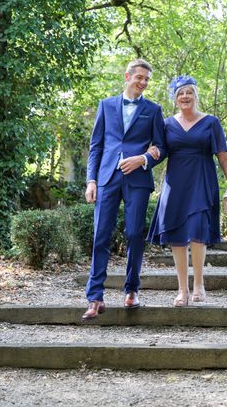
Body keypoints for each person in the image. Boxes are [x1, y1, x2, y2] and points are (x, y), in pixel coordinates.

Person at [82, 59, 166, 321]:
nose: (142, 83)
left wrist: (143, 159)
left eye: (146, 80)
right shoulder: (106, 105)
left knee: (133, 234)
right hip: (107, 178)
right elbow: (96, 146)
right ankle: (95, 297)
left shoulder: (153, 110)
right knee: (100, 236)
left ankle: (132, 289)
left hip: (138, 180)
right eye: (139, 77)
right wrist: (91, 180)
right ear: (127, 76)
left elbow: (162, 147)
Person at [147, 75, 227, 307]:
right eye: (180, 93)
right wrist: (144, 157)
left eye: (189, 92)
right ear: (175, 99)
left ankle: (199, 284)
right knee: (177, 236)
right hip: (175, 185)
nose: (185, 96)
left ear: (196, 96)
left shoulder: (211, 122)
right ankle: (182, 289)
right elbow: (159, 153)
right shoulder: (166, 124)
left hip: (202, 181)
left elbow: (224, 157)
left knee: (198, 232)